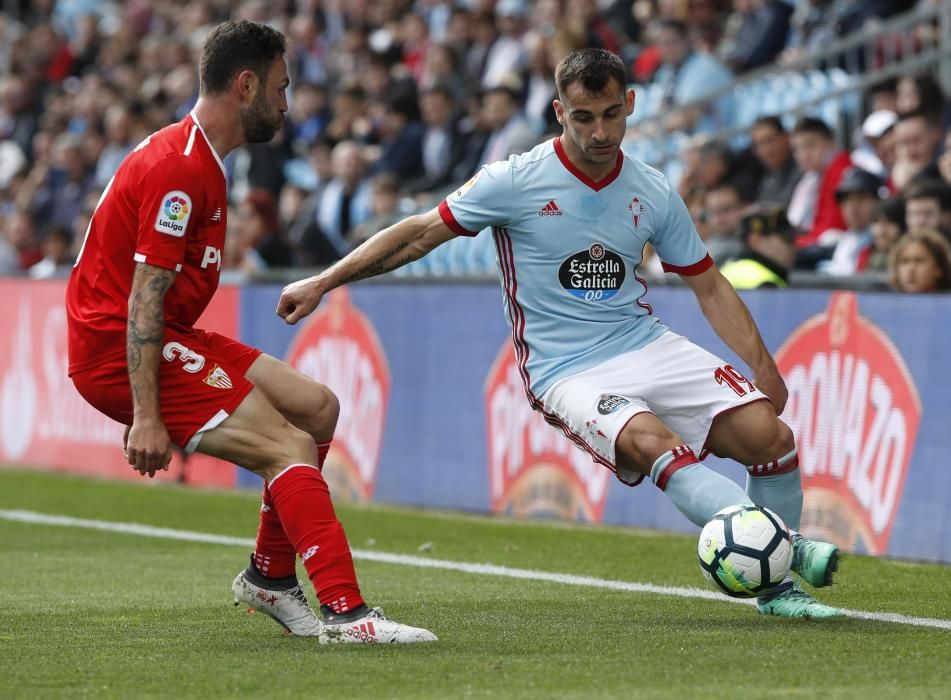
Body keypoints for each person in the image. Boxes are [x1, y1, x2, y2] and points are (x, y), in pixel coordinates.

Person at [278, 48, 841, 619]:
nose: (600, 132)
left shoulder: (651, 189)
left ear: (630, 105)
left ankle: (775, 593)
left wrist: (762, 364)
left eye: (611, 115)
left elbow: (709, 285)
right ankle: (788, 551)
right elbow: (419, 234)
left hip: (642, 340)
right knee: (653, 444)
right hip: (565, 368)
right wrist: (326, 280)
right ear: (558, 112)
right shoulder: (515, 180)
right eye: (583, 117)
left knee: (771, 438)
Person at [65, 20, 435, 645]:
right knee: (286, 448)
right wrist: (148, 414)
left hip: (167, 332)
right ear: (246, 85)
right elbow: (142, 302)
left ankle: (269, 576)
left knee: (317, 409)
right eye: (281, 87)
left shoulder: (199, 158)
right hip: (117, 348)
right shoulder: (181, 169)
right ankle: (346, 615)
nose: (287, 103)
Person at [720, 207, 796, 289]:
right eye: (788, 238)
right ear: (756, 240)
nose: (794, 246)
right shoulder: (764, 284)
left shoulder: (732, 267)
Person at [888, 228, 951, 293]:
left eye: (919, 261)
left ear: (938, 268)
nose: (910, 269)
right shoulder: (885, 301)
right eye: (904, 261)